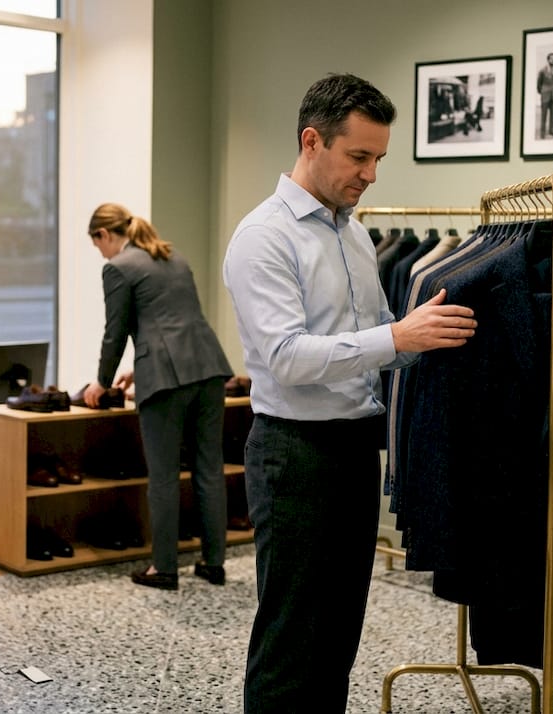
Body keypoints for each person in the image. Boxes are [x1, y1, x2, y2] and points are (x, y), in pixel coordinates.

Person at [222, 73, 477, 713]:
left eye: (378, 159)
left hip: (355, 448)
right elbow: (286, 358)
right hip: (295, 453)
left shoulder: (355, 233)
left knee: (338, 635)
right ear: (312, 141)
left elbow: (375, 342)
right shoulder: (264, 237)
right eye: (358, 156)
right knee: (291, 639)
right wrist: (398, 337)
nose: (371, 174)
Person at [84, 202, 233, 591]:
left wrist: (101, 382)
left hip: (166, 381)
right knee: (209, 469)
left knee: (164, 475)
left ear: (104, 235)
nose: (99, 252)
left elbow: (114, 333)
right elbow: (174, 322)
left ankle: (163, 568)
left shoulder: (117, 267)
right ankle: (213, 563)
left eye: (96, 243)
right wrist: (141, 366)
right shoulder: (174, 256)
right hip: (209, 367)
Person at [538, 52, 553, 138]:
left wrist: (551, 89)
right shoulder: (542, 70)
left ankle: (551, 130)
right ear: (548, 59)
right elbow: (539, 84)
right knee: (544, 114)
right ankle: (542, 133)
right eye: (552, 58)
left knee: (552, 114)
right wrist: (543, 92)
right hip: (545, 94)